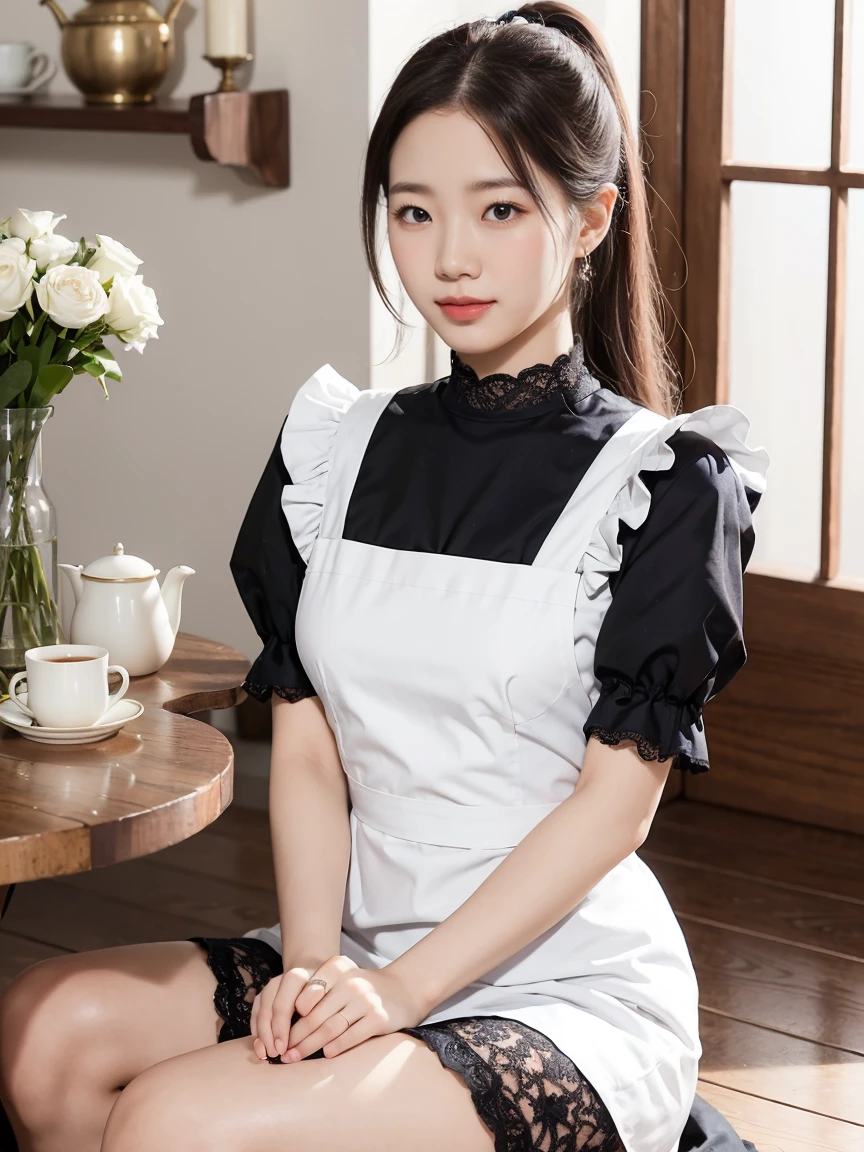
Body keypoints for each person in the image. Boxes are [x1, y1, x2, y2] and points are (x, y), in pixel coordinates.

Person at [0, 6, 767, 1152]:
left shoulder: (665, 482)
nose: (449, 256)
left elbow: (617, 807)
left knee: (177, 1122)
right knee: (43, 1029)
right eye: (413, 212)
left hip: (557, 985)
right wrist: (316, 966)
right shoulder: (333, 450)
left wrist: (400, 997)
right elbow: (306, 746)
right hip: (354, 942)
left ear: (592, 216)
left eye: (500, 210)